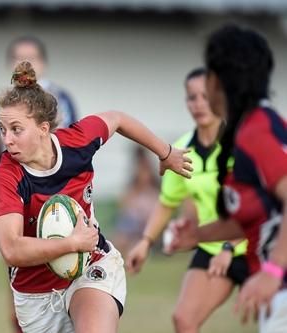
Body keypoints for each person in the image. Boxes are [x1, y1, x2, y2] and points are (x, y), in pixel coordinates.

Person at [0, 61, 193, 333]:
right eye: (3, 130)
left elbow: (118, 119)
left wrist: (165, 153)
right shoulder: (7, 176)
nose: (7, 140)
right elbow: (12, 249)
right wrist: (71, 243)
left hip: (91, 269)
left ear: (43, 128)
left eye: (16, 129)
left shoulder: (77, 142)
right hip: (37, 297)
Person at [168, 24, 287, 332]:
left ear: (219, 81)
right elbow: (254, 217)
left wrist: (274, 270)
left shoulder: (257, 131)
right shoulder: (254, 127)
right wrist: (197, 235)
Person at [126, 67, 249, 332]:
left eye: (206, 96)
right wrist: (145, 243)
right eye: (192, 97)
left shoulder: (242, 144)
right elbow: (168, 201)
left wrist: (230, 247)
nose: (199, 104)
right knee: (183, 320)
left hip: (255, 245)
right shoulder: (181, 150)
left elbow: (257, 206)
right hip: (213, 248)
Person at [0, 35, 78, 200]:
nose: (25, 64)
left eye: (31, 58)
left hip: (52, 183)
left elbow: (72, 144)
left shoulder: (59, 99)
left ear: (43, 63)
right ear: (9, 64)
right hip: (13, 180)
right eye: (19, 58)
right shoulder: (1, 101)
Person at [113, 146, 160, 254]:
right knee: (121, 239)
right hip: (134, 225)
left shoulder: (154, 190)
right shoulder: (133, 188)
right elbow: (124, 206)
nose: (143, 175)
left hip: (147, 225)